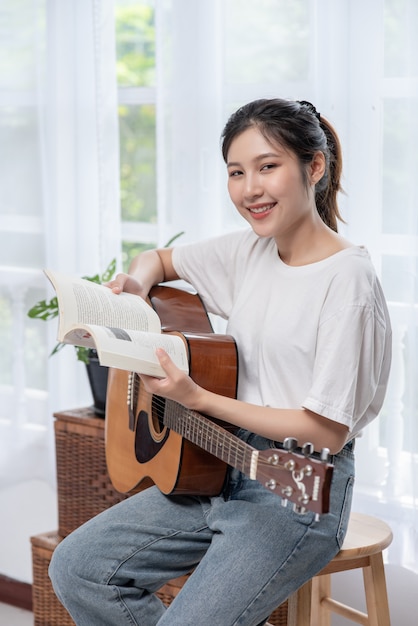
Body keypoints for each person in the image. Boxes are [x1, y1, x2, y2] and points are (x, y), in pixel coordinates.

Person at [49, 98, 392, 626]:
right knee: (77, 568)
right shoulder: (250, 252)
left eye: (267, 167)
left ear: (314, 167)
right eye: (236, 172)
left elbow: (324, 430)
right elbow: (160, 259)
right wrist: (137, 285)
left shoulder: (347, 282)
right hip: (218, 466)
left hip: (294, 488)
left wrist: (199, 399)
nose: (249, 188)